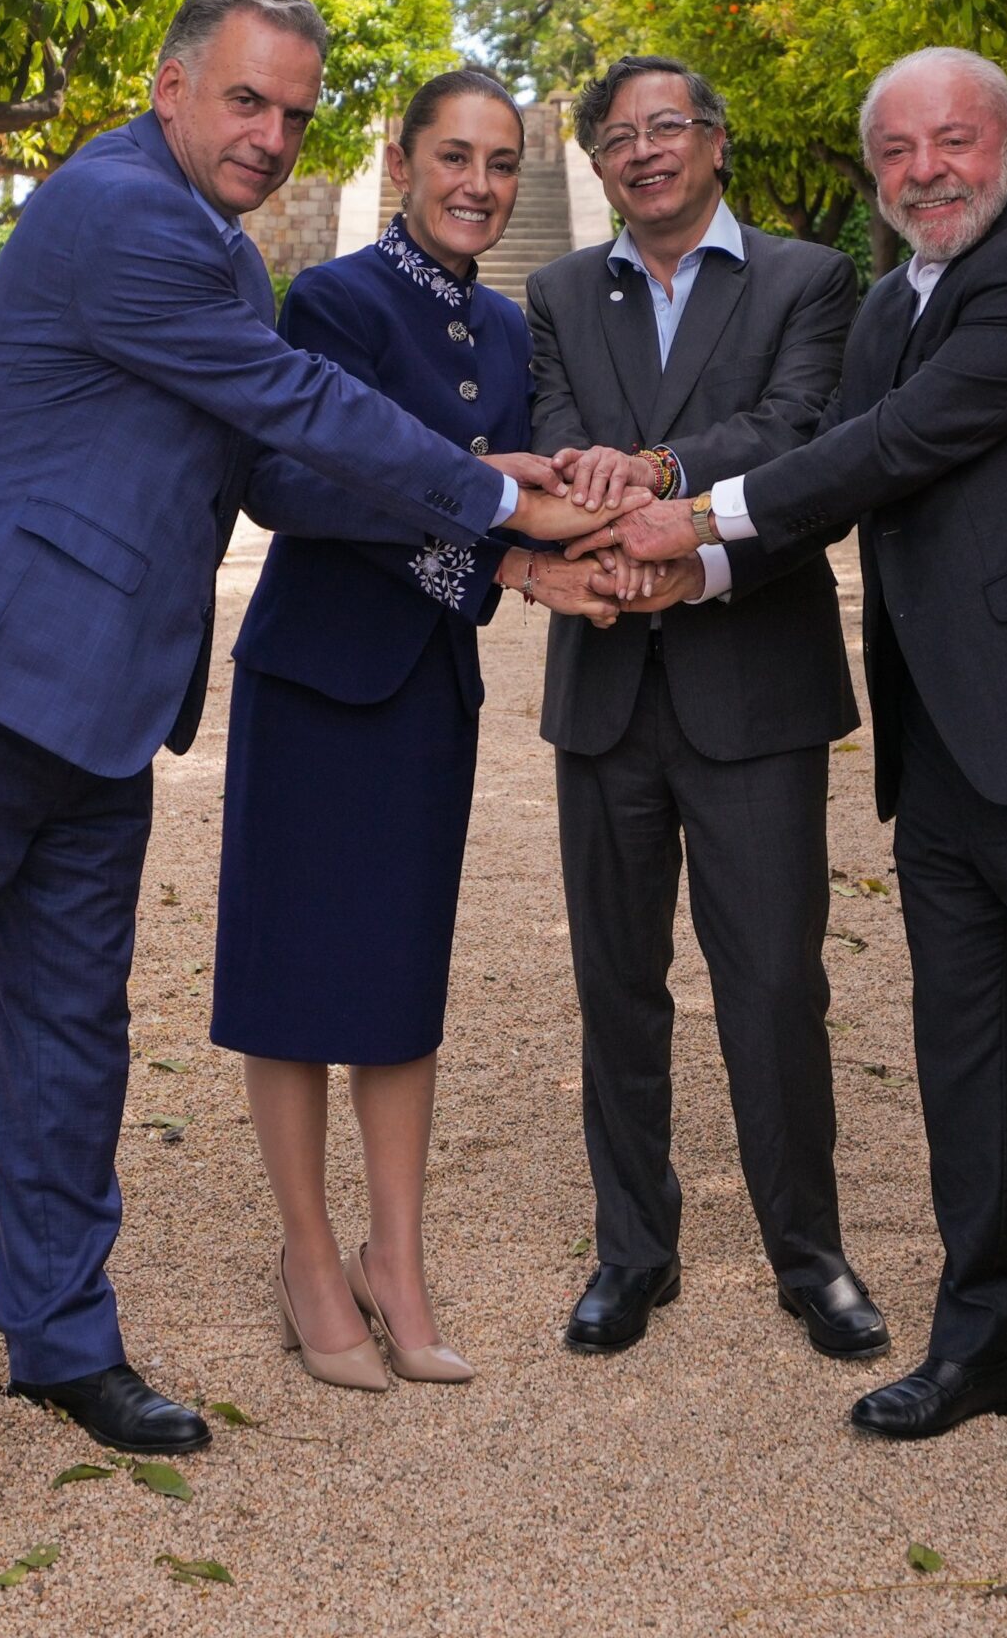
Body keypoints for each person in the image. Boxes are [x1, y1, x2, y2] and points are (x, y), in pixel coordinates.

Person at [0, 0, 634, 1526]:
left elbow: (275, 470)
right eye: (247, 101)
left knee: (73, 1045)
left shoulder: (221, 249)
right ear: (171, 87)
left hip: (103, 702)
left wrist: (506, 536)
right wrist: (499, 499)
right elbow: (289, 396)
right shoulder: (120, 208)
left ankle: (63, 1340)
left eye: (296, 114)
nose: (270, 135)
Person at [601, 45, 1007, 1512]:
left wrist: (693, 514)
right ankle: (986, 1340)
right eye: (897, 151)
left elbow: (900, 442)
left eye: (954, 142)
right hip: (944, 751)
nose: (925, 171)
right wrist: (679, 578)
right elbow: (836, 471)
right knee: (961, 1067)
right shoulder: (892, 301)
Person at [211, 69, 621, 1390]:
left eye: (502, 164)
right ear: (401, 163)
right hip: (314, 679)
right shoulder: (333, 300)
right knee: (290, 986)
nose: (480, 186)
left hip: (428, 688)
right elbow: (289, 484)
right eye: (455, 157)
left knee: (399, 988)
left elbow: (505, 518)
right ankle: (308, 1258)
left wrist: (546, 556)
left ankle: (399, 1262)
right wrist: (491, 507)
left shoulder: (505, 329)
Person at [526, 54, 888, 1362]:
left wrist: (662, 474)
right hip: (607, 680)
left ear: (717, 141)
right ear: (600, 165)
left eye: (666, 125)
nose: (643, 150)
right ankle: (633, 1250)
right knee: (616, 986)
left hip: (757, 685)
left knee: (776, 984)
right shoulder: (559, 291)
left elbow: (799, 437)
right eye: (616, 137)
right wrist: (612, 524)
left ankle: (810, 1253)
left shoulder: (810, 280)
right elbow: (556, 436)